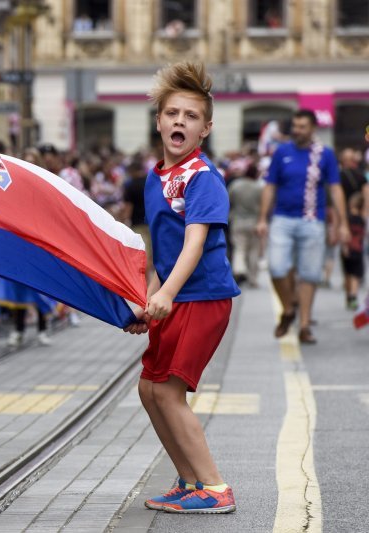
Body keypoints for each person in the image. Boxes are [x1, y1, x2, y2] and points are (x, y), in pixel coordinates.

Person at [125, 61, 240, 513]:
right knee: (148, 389)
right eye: (173, 113)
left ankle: (214, 488)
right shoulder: (157, 177)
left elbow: (194, 246)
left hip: (204, 298)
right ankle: (189, 481)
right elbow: (165, 252)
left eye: (191, 117)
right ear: (158, 121)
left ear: (205, 129)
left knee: (168, 392)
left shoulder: (203, 178)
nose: (180, 122)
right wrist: (148, 300)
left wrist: (165, 296)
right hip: (176, 296)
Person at [256, 109, 350, 344]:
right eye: (295, 126)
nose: (297, 131)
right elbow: (270, 186)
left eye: (302, 127)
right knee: (277, 268)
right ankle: (289, 309)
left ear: (312, 129)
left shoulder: (325, 154)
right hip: (282, 219)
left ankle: (305, 325)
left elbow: (335, 188)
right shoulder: (281, 152)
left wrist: (343, 224)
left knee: (309, 275)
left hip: (312, 221)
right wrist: (262, 218)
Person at [227, 160, 262, 287]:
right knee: (254, 251)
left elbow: (228, 202)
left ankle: (239, 270)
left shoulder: (235, 185)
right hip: (254, 222)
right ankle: (253, 279)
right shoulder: (259, 187)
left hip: (237, 220)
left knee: (239, 248)